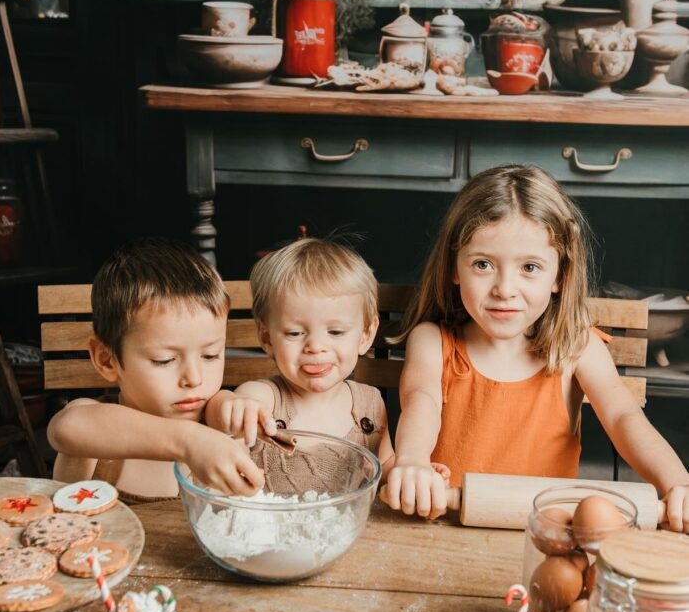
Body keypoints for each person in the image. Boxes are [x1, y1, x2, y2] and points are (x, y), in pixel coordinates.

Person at [383, 164, 689, 532]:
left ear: (559, 275)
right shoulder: (432, 341)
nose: (505, 288)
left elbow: (625, 418)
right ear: (453, 268)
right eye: (483, 264)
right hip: (442, 529)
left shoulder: (577, 347)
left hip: (547, 537)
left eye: (529, 267)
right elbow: (422, 401)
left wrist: (678, 483)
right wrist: (413, 461)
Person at [47, 239, 266, 501]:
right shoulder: (93, 434)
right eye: (164, 360)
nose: (194, 379)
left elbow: (225, 411)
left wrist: (230, 404)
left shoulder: (218, 428)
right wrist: (189, 441)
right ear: (107, 360)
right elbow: (66, 428)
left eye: (210, 355)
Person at [205, 238, 394, 482]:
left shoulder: (370, 404)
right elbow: (224, 414)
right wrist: (228, 404)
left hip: (351, 520)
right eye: (295, 333)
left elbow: (385, 464)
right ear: (267, 338)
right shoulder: (264, 399)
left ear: (365, 335)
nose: (315, 347)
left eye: (335, 332)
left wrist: (411, 473)